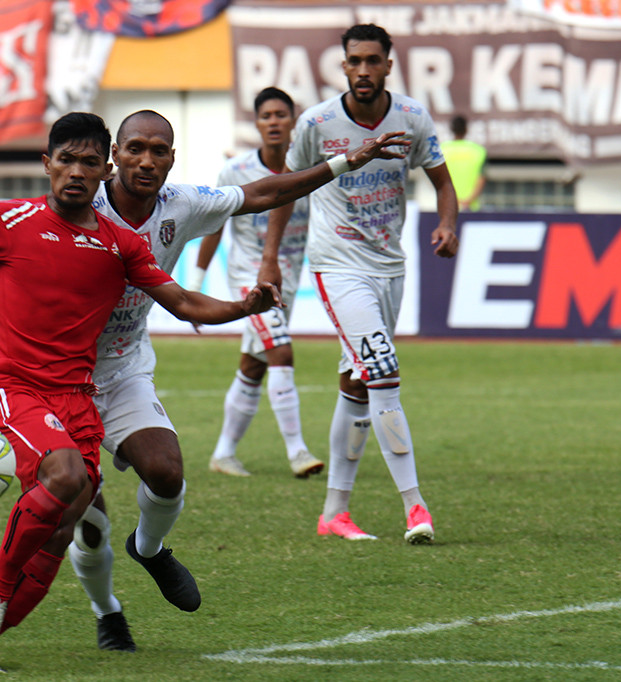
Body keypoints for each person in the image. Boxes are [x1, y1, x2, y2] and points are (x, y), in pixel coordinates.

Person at [0, 112, 284, 674]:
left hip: (78, 396)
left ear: (104, 171)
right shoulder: (6, 220)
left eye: (89, 163)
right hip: (15, 387)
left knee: (65, 526)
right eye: (66, 160)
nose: (76, 172)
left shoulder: (119, 243)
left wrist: (242, 307)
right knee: (63, 478)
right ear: (47, 164)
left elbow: (183, 302)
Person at [69, 108, 412, 652]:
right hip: (62, 378)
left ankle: (150, 549)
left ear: (172, 158)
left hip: (125, 367)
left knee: (167, 473)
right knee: (88, 522)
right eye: (135, 148)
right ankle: (107, 611)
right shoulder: (79, 205)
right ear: (115, 155)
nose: (146, 160)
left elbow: (263, 193)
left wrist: (345, 162)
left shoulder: (181, 204)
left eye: (159, 150)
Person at [261, 24, 459, 545]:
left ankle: (334, 513)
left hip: (390, 266)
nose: (364, 70)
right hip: (338, 265)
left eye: (373, 60)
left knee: (356, 383)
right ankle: (415, 506)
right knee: (384, 372)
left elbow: (443, 182)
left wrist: (447, 223)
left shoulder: (412, 117)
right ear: (344, 66)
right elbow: (286, 189)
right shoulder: (317, 123)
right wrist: (270, 258)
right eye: (355, 61)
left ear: (388, 65)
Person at [190, 87, 320, 479]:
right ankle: (298, 452)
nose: (274, 122)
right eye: (266, 116)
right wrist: (196, 283)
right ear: (257, 123)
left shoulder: (310, 169)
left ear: (294, 121)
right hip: (250, 276)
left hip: (288, 274)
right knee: (280, 351)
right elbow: (214, 226)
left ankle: (223, 454)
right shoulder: (236, 171)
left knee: (254, 364)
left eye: (281, 114)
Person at [441, 114, 487, 211]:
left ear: (451, 129)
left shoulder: (442, 149)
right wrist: (468, 201)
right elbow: (481, 179)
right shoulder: (479, 151)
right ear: (466, 129)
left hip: (447, 205)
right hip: (471, 207)